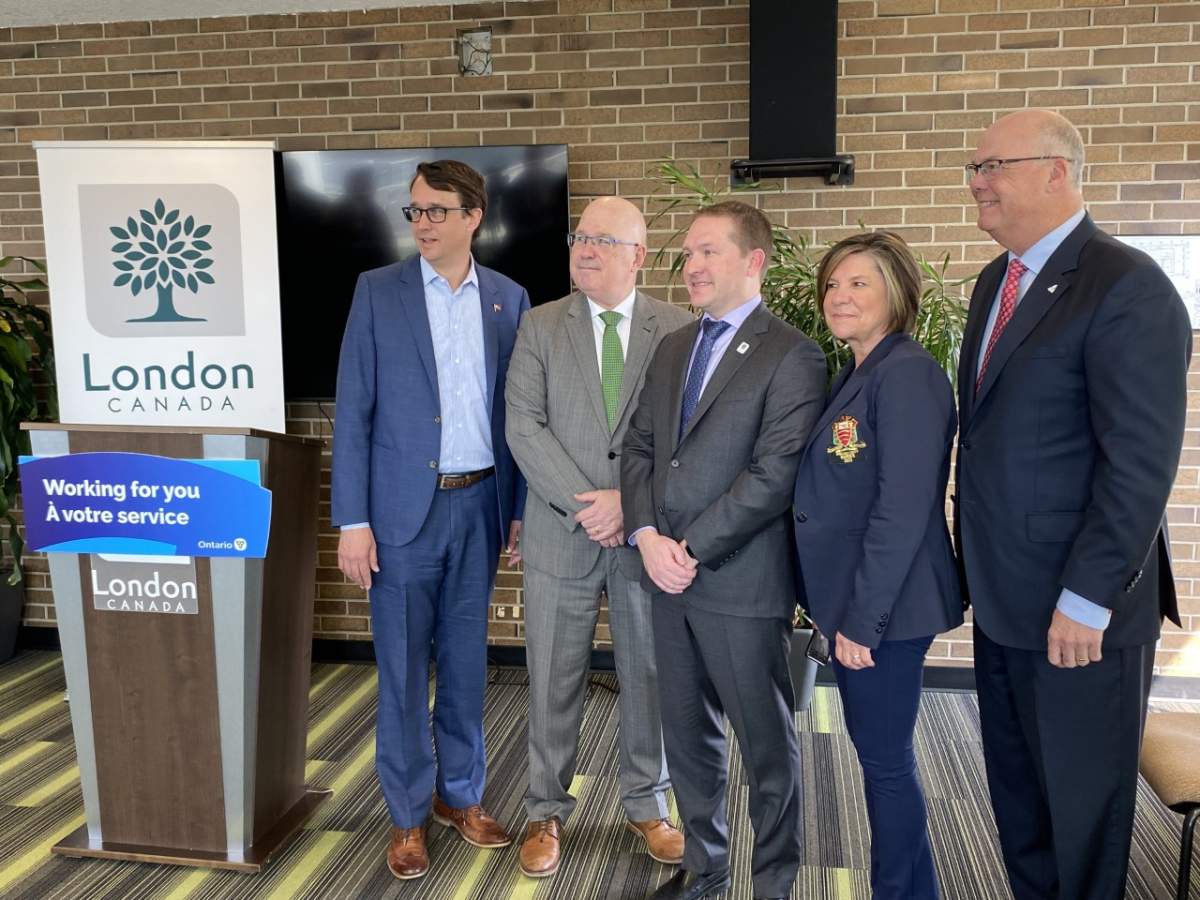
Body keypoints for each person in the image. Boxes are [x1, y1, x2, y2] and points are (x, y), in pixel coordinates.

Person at [956, 109, 1191, 900]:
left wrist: (1088, 599)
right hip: (1003, 601)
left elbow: (1139, 464)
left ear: (1058, 172)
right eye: (974, 168)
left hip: (1076, 613)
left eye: (995, 166)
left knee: (1083, 817)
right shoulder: (998, 280)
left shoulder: (1126, 286)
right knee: (1020, 806)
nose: (978, 183)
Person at [621, 200, 827, 900]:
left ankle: (773, 885)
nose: (693, 266)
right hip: (665, 577)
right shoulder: (674, 346)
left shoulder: (791, 353)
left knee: (767, 750)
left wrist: (688, 547)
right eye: (688, 253)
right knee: (688, 740)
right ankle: (704, 873)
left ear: (754, 261)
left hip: (739, 583)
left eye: (709, 251)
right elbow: (641, 449)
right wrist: (648, 537)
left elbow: (773, 475)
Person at [331, 159, 529, 880]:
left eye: (436, 211)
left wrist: (517, 510)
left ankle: (461, 798)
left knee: (470, 664)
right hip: (399, 516)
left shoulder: (509, 298)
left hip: (480, 505)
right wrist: (351, 519)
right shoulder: (377, 293)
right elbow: (352, 412)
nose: (421, 223)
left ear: (473, 216)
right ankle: (409, 815)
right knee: (404, 672)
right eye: (413, 211)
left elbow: (518, 417)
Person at [504, 196, 694, 878]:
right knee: (553, 672)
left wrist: (629, 504)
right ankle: (545, 809)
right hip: (564, 530)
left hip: (645, 534)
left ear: (639, 255)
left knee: (648, 671)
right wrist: (588, 506)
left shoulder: (677, 328)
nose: (585, 249)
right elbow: (523, 425)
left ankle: (648, 804)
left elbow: (684, 435)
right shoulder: (539, 325)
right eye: (579, 236)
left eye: (603, 240)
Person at [792, 231, 963, 899]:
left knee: (887, 764)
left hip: (886, 610)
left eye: (858, 283)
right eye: (833, 283)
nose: (839, 296)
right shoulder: (862, 371)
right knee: (881, 760)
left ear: (896, 293)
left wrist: (861, 621)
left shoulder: (909, 376)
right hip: (863, 604)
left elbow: (902, 509)